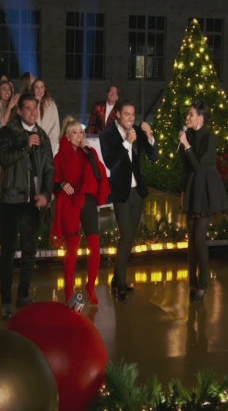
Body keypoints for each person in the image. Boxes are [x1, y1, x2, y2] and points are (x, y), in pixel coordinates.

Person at [0, 93, 55, 320]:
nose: (32, 112)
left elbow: (49, 168)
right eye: (27, 108)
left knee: (30, 250)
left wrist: (46, 194)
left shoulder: (42, 135)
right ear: (19, 110)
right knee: (8, 252)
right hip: (10, 200)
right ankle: (6, 301)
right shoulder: (8, 132)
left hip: (32, 201)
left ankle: (23, 294)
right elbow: (3, 158)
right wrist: (24, 147)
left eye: (35, 108)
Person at [100, 100, 159, 302]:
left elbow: (154, 157)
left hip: (137, 192)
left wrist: (150, 137)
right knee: (125, 236)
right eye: (126, 114)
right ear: (118, 114)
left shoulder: (138, 131)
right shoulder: (107, 135)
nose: (130, 118)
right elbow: (110, 162)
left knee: (129, 238)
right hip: (120, 192)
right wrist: (126, 143)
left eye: (133, 114)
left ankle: (117, 279)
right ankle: (121, 285)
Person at [51, 117, 110, 304]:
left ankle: (90, 285)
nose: (79, 136)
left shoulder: (89, 153)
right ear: (67, 136)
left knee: (95, 246)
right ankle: (69, 290)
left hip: (87, 200)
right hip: (70, 201)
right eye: (74, 132)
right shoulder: (60, 156)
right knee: (73, 249)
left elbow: (99, 175)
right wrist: (62, 184)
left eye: (81, 132)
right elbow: (52, 180)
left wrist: (90, 155)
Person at [177, 99, 228, 303]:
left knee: (199, 237)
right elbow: (186, 168)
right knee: (191, 238)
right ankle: (192, 279)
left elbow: (199, 167)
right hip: (192, 189)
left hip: (205, 190)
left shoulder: (209, 138)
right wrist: (183, 191)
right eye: (188, 114)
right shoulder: (188, 136)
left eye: (191, 114)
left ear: (201, 118)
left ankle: (203, 283)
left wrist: (187, 145)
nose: (187, 117)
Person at [32, 78, 60, 155]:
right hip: (33, 145)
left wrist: (51, 147)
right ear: (33, 89)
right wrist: (36, 104)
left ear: (45, 89)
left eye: (42, 87)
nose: (39, 90)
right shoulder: (29, 104)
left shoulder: (51, 104)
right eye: (36, 87)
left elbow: (55, 127)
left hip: (49, 144)